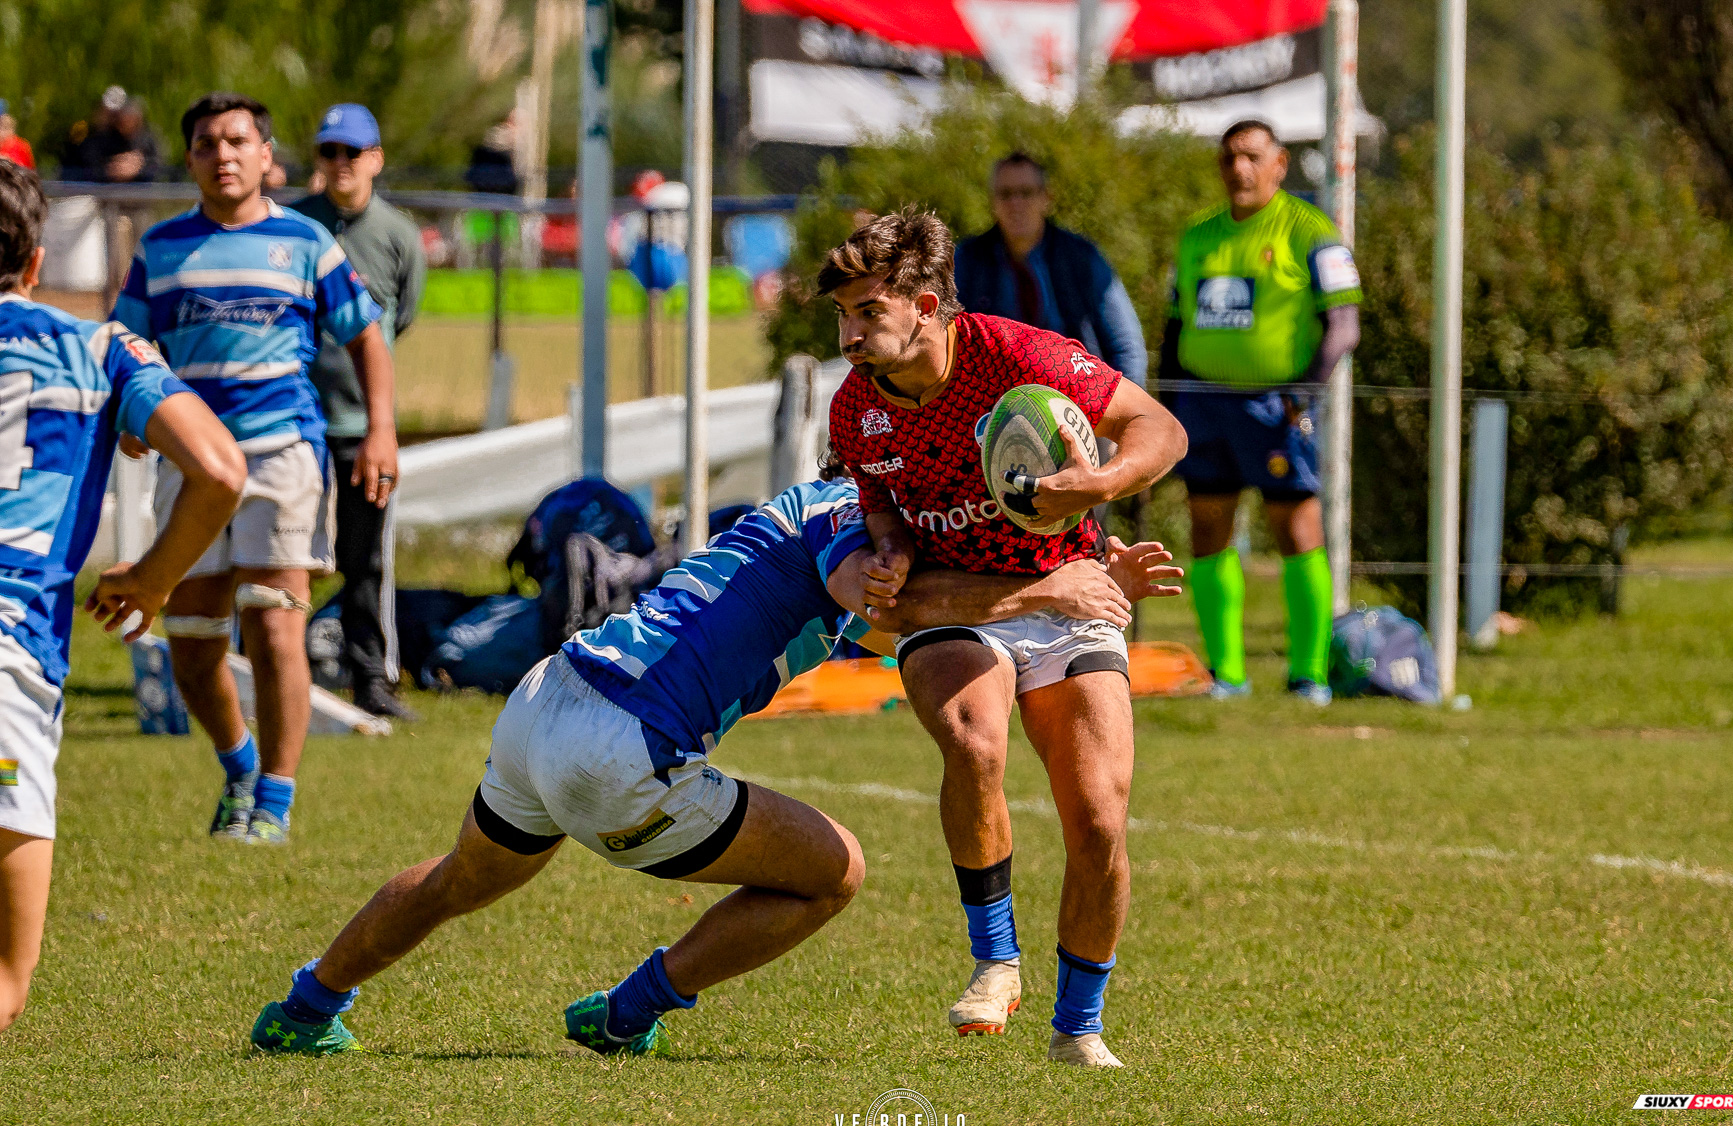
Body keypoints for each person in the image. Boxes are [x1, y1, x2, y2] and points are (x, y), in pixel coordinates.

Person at [246, 475, 1180, 1055]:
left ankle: (306, 1003)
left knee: (462, 876)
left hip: (549, 697)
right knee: (835, 871)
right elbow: (887, 604)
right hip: (623, 754)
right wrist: (1056, 589)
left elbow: (914, 615)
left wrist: (1055, 589)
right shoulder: (855, 522)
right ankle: (629, 1011)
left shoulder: (795, 506)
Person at [822, 210, 1187, 1068]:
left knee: (1098, 818)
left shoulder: (1017, 357)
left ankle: (1078, 1028)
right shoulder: (855, 408)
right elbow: (882, 510)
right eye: (840, 316)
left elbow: (1161, 429)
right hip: (957, 602)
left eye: (867, 314)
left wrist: (1098, 483)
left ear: (924, 306)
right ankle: (996, 961)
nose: (848, 338)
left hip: (1070, 593)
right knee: (973, 740)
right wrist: (888, 552)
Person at [110, 93, 394, 846]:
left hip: (282, 453)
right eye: (207, 143)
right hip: (191, 460)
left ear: (267, 156)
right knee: (193, 639)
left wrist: (381, 431)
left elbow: (367, 337)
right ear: (191, 159)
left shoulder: (305, 242)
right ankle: (238, 763)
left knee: (273, 624)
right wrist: (132, 416)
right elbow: (126, 347)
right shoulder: (160, 248)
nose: (223, 155)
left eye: (238, 140)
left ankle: (274, 798)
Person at [0, 161, 244, 1033]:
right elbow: (219, 470)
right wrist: (152, 578)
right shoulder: (101, 350)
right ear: (36, 262)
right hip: (9, 660)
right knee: (6, 978)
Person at [1158, 119, 1361, 706]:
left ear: (1280, 164)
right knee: (1207, 528)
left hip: (1277, 406)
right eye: (1228, 158)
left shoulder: (1311, 230)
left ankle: (1309, 675)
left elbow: (1344, 327)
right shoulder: (1198, 236)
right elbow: (1173, 325)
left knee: (1296, 529)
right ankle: (1227, 675)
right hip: (1203, 403)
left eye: (1251, 156)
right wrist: (1166, 404)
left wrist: (1304, 393)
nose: (1239, 169)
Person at [293, 104, 426, 721]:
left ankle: (370, 676)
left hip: (361, 429)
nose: (340, 163)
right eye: (329, 152)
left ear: (376, 159)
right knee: (282, 556)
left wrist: (380, 425)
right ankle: (273, 671)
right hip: (293, 423)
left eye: (352, 152)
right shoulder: (294, 225)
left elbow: (399, 320)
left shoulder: (398, 235)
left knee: (365, 560)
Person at [954, 152, 1147, 388]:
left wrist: (1124, 407)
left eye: (1026, 192)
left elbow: (1126, 347)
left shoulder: (1082, 257)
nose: (1016, 203)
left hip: (1079, 396)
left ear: (1046, 198)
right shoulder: (967, 260)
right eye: (1005, 194)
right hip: (992, 400)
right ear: (993, 202)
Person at [0, 103, 33, 169]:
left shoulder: (21, 146)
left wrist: (6, 161)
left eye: (6, 128)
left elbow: (26, 169)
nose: (2, 132)